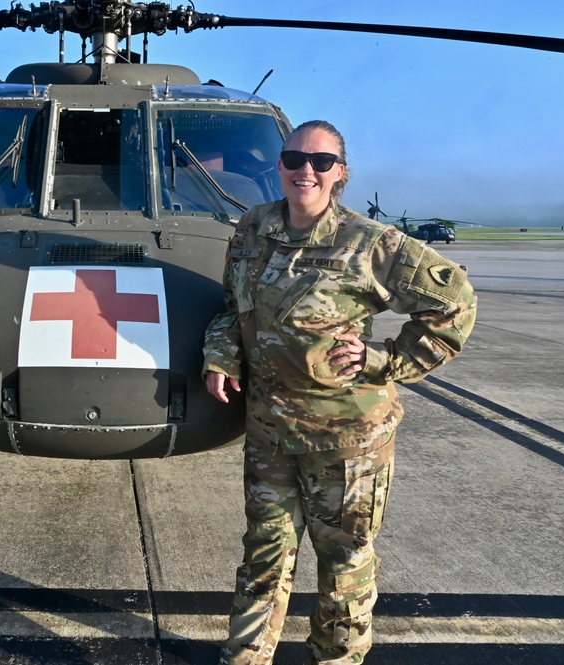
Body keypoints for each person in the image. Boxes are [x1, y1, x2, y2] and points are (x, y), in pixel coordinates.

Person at [203, 119, 476, 664]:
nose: (307, 169)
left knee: (344, 566)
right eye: (294, 158)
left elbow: (456, 305)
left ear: (340, 174)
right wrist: (222, 354)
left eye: (321, 162)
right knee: (264, 559)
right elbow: (233, 307)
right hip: (271, 432)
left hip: (347, 442)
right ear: (278, 166)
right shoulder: (253, 228)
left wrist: (385, 361)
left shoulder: (372, 244)